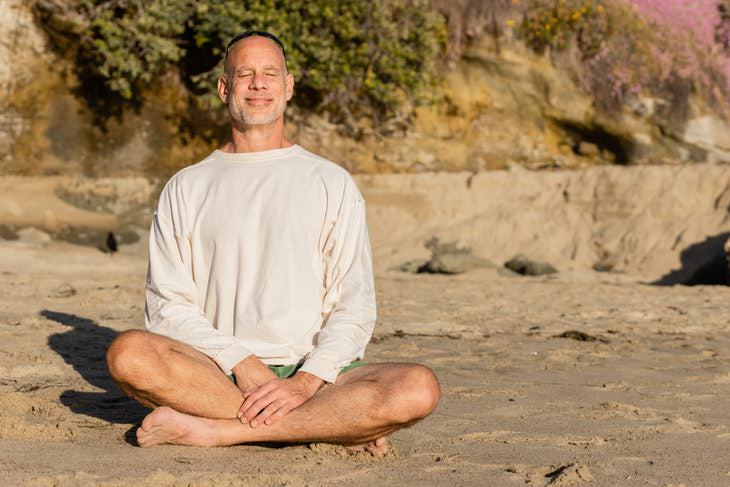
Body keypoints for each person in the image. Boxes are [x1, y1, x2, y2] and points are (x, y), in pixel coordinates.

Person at [105, 31, 440, 456]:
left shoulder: (330, 181)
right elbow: (166, 304)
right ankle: (329, 426)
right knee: (128, 354)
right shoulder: (186, 186)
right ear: (225, 88)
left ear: (289, 86)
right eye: (245, 74)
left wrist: (305, 380)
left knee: (417, 388)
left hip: (313, 373)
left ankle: (219, 431)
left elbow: (353, 304)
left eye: (270, 74)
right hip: (214, 371)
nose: (258, 84)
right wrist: (242, 364)